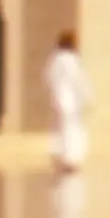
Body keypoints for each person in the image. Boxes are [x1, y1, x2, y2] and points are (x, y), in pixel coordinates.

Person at [44, 31, 93, 175]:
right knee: (71, 130)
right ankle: (70, 160)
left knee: (60, 129)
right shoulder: (70, 60)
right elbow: (78, 80)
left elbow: (48, 78)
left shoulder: (54, 60)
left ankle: (58, 157)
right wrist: (88, 96)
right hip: (71, 101)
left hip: (58, 100)